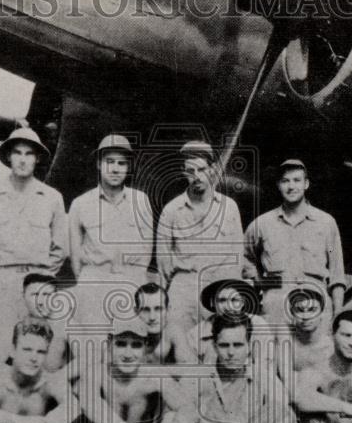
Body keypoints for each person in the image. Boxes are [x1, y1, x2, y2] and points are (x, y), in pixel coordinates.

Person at [0, 127, 68, 339]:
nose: (23, 160)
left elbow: (59, 248)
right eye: (17, 153)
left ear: (37, 159)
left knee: (34, 346)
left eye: (29, 154)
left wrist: (41, 277)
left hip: (36, 282)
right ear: (9, 156)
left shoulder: (52, 198)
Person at [243, 159, 346, 329]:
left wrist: (338, 314)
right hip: (275, 307)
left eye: (297, 180)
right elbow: (245, 259)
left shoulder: (326, 223)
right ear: (278, 185)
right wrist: (260, 283)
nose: (291, 186)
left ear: (306, 184)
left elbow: (337, 274)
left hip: (315, 305)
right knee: (276, 353)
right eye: (285, 181)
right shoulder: (261, 224)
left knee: (314, 353)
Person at [156, 140, 244, 337]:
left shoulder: (228, 207)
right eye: (190, 171)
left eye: (201, 169)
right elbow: (162, 263)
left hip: (219, 289)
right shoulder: (171, 210)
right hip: (183, 290)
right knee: (179, 349)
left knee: (219, 348)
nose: (196, 177)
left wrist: (232, 295)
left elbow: (237, 256)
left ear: (212, 169)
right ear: (183, 172)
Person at [67, 134, 155, 328]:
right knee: (94, 339)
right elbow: (75, 256)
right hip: (94, 282)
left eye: (121, 163)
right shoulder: (80, 204)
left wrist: (135, 278)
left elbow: (147, 248)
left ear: (128, 167)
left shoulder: (141, 201)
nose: (115, 168)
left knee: (129, 343)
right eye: (109, 162)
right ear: (99, 164)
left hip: (131, 281)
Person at [176, 277, 273, 367]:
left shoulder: (258, 325)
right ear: (213, 303)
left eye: (234, 300)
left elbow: (265, 366)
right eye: (222, 300)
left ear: (243, 302)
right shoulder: (196, 334)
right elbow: (190, 373)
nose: (228, 307)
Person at [0, 273, 70, 375]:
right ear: (23, 296)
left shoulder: (64, 326)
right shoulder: (12, 327)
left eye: (47, 295)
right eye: (35, 295)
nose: (41, 302)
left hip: (52, 385)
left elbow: (87, 360)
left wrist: (59, 377)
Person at [274, 284, 335, 382]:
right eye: (299, 310)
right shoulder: (285, 335)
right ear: (292, 313)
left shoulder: (330, 343)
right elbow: (285, 376)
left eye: (312, 310)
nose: (306, 316)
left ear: (322, 313)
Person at [134, 282, 181, 364]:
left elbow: (192, 371)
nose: (152, 317)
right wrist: (156, 357)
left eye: (158, 309)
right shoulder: (126, 335)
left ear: (168, 310)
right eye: (145, 310)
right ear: (136, 312)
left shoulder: (174, 332)